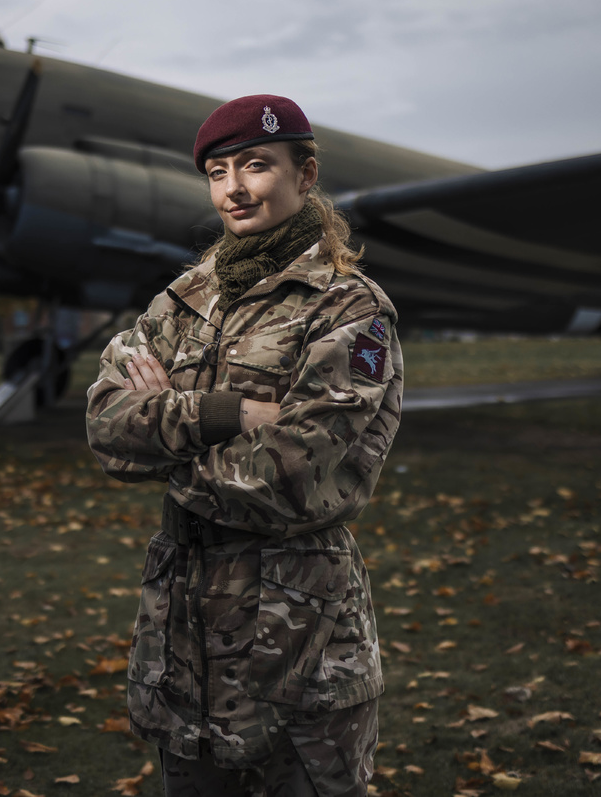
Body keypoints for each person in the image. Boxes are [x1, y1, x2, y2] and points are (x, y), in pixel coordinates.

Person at [85, 95, 403, 796]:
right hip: (183, 650)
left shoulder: (348, 308)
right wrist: (227, 412)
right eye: (218, 171)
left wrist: (164, 433)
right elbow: (107, 430)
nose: (234, 187)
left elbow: (292, 477)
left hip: (298, 653)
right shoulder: (182, 300)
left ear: (306, 174)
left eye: (257, 165)